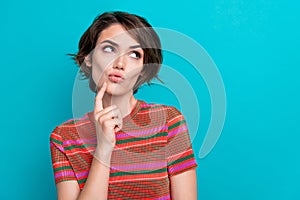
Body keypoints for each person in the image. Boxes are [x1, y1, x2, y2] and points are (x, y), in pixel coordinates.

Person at [50, 11, 198, 200]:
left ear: (143, 70)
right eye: (109, 49)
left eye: (134, 54)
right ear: (88, 57)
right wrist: (103, 149)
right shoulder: (64, 138)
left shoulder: (169, 121)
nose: (120, 63)